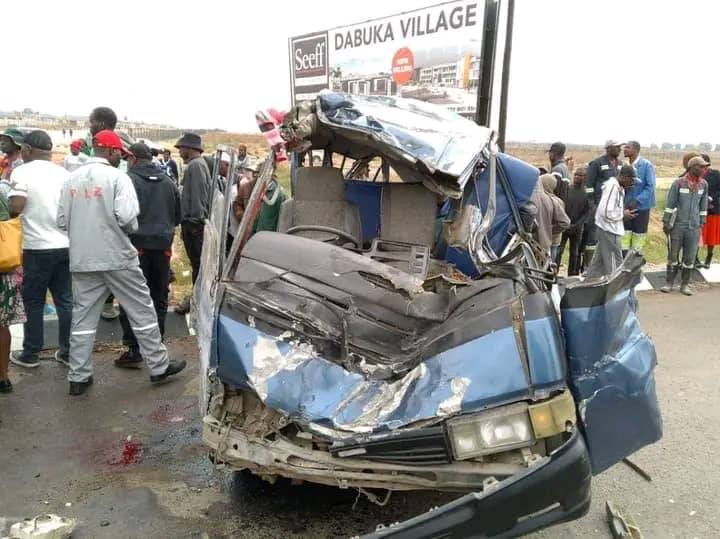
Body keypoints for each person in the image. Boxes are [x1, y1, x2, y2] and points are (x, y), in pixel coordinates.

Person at [57, 130, 186, 395]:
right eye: (120, 154)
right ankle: (159, 367)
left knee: (83, 319)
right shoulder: (118, 178)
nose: (122, 158)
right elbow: (127, 218)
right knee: (142, 311)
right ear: (113, 151)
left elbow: (61, 221)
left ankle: (78, 377)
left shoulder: (71, 179)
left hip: (83, 258)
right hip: (118, 256)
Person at [6, 131, 72, 369]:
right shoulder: (65, 174)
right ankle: (67, 352)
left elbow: (16, 206)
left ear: (27, 150)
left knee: (33, 302)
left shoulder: (22, 171)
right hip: (65, 245)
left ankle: (31, 353)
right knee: (65, 300)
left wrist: (11, 209)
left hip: (35, 248)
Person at [115, 142, 181, 369]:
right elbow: (177, 216)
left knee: (130, 297)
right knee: (158, 296)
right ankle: (157, 344)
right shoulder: (168, 182)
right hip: (162, 247)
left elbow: (121, 216)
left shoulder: (127, 180)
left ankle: (134, 348)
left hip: (135, 246)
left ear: (132, 158)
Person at [174, 133, 211, 315]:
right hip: (192, 223)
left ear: (190, 148)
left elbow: (197, 197)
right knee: (197, 265)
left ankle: (196, 302)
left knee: (197, 265)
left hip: (194, 224)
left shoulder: (195, 166)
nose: (179, 151)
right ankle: (198, 301)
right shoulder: (197, 165)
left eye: (181, 147)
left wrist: (194, 224)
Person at [661, 156, 709, 295]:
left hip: (694, 227)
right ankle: (669, 282)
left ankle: (685, 285)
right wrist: (666, 222)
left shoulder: (703, 185)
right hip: (677, 226)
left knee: (689, 257)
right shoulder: (679, 183)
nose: (703, 169)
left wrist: (702, 221)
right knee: (673, 255)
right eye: (701, 166)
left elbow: (703, 204)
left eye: (704, 166)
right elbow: (670, 204)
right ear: (692, 167)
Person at [585, 165, 637, 278]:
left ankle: (588, 288)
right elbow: (605, 212)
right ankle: (616, 294)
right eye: (631, 179)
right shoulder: (613, 187)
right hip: (610, 232)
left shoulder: (619, 187)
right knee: (615, 268)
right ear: (623, 177)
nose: (632, 182)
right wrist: (623, 214)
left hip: (608, 231)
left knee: (597, 266)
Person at [0, 176, 26, 393]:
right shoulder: (4, 190)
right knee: (2, 325)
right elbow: (14, 214)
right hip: (3, 267)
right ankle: (3, 377)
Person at [582, 140, 624, 271]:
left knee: (606, 239)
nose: (619, 150)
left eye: (620, 147)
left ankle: (597, 270)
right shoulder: (597, 163)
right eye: (617, 147)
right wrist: (592, 204)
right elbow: (589, 185)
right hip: (598, 208)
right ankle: (587, 266)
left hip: (612, 209)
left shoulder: (620, 164)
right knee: (593, 237)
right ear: (608, 148)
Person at [621, 141, 656, 255]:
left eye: (627, 147)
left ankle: (634, 265)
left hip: (641, 209)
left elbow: (650, 186)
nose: (624, 149)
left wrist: (637, 200)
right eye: (624, 147)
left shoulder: (646, 165)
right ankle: (623, 265)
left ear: (636, 150)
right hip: (625, 208)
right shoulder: (624, 166)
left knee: (638, 237)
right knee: (624, 238)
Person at [558, 166, 593, 276]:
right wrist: (565, 222)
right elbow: (561, 206)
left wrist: (577, 225)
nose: (577, 177)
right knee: (559, 251)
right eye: (575, 175)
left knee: (575, 253)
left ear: (585, 177)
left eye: (580, 175)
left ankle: (572, 275)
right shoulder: (567, 188)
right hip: (564, 226)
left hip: (578, 228)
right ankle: (554, 273)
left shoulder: (587, 192)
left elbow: (587, 212)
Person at [531, 173, 570, 261]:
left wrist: (547, 229)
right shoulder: (555, 200)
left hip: (545, 241)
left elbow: (565, 223)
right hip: (547, 242)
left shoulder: (550, 200)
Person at [699, 154, 720, 268]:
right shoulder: (695, 174)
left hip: (713, 209)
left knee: (711, 235)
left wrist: (711, 197)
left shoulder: (716, 174)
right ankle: (695, 258)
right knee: (697, 234)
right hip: (697, 210)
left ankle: (709, 257)